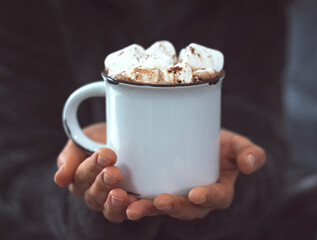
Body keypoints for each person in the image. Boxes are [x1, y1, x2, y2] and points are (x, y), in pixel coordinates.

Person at [0, 0, 287, 239]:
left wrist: (233, 186)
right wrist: (86, 203)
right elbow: (14, 166)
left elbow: (265, 150)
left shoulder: (251, 8)